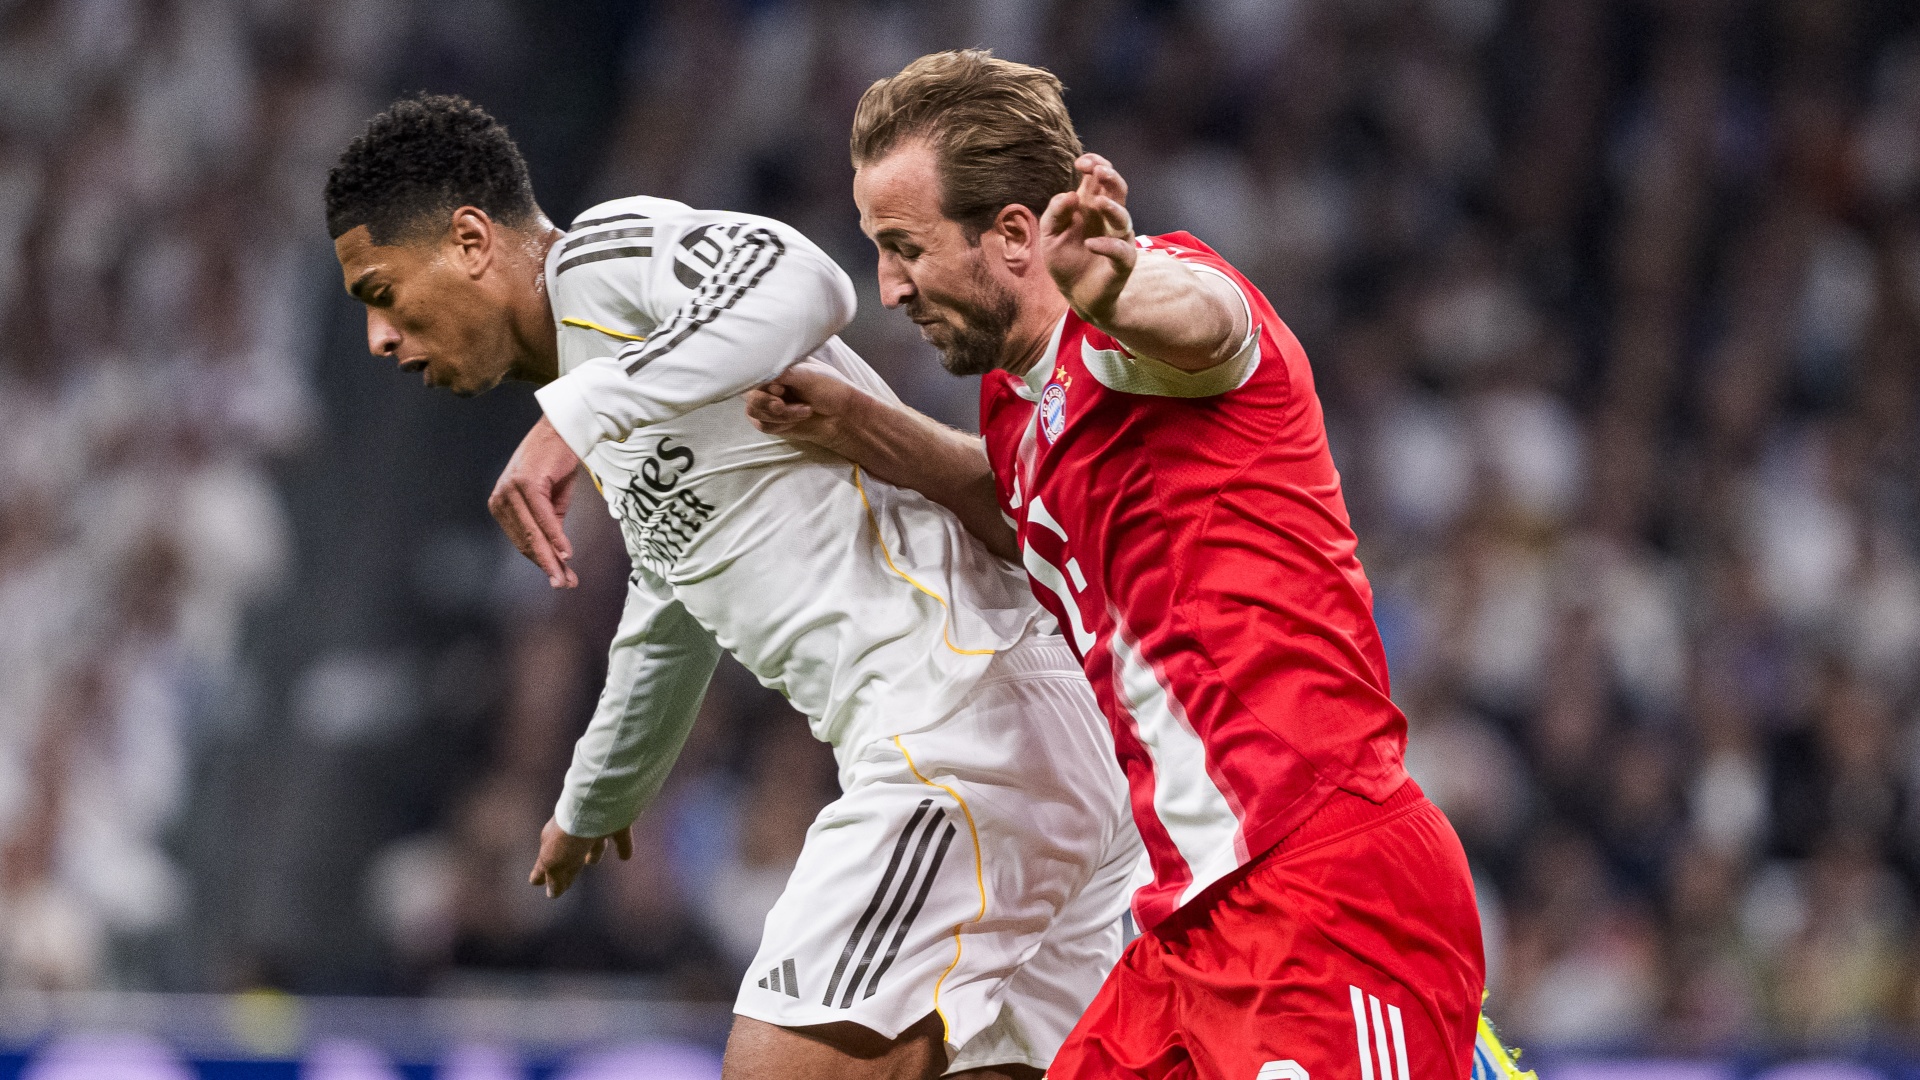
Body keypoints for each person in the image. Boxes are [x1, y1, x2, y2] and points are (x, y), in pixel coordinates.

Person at [742, 51, 1534, 1080]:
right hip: (1188, 929)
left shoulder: (1153, 310)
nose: (888, 286)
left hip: (1328, 886)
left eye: (906, 248)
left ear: (1018, 235)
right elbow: (1022, 505)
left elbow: (1200, 327)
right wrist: (861, 426)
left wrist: (1113, 287)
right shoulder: (1017, 405)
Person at [325, 93, 1142, 1080]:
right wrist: (594, 801)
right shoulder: (644, 398)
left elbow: (806, 283)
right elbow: (672, 620)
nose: (378, 337)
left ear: (468, 241)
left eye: (381, 290)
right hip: (1021, 752)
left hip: (961, 731)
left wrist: (575, 417)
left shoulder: (605, 259)